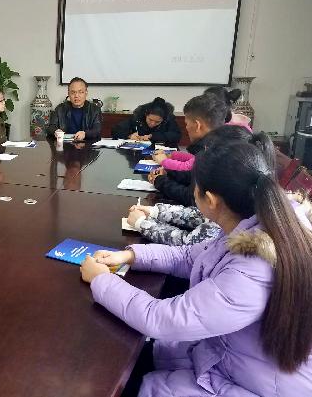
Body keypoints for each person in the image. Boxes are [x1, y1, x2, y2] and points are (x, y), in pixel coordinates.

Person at [81, 141, 312, 397]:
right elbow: (189, 256)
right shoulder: (259, 225)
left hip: (256, 385)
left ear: (210, 200)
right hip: (233, 359)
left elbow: (161, 319)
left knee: (137, 382)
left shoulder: (252, 269)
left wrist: (102, 281)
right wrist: (130, 255)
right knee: (147, 355)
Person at [129, 126, 276, 246]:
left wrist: (142, 223)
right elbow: (199, 215)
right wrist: (155, 211)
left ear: (210, 199)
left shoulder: (227, 225)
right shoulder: (239, 203)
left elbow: (187, 243)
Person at [149, 93, 233, 206]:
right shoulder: (221, 143)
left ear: (198, 125)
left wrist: (159, 181)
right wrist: (169, 173)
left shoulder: (211, 153)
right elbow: (191, 174)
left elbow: (192, 198)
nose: (186, 127)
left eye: (187, 123)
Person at [46, 77, 102, 141]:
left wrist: (85, 134)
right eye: (73, 92)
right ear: (68, 93)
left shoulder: (94, 109)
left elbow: (97, 129)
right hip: (65, 144)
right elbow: (51, 127)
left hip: (87, 143)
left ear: (86, 93)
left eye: (80, 92)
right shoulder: (60, 109)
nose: (76, 96)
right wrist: (56, 131)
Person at [112, 97, 181, 146]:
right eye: (150, 120)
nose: (152, 124)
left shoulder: (168, 119)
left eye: (157, 122)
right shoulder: (138, 117)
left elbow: (176, 136)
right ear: (146, 115)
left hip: (162, 152)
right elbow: (116, 130)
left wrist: (152, 136)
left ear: (163, 119)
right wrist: (129, 136)